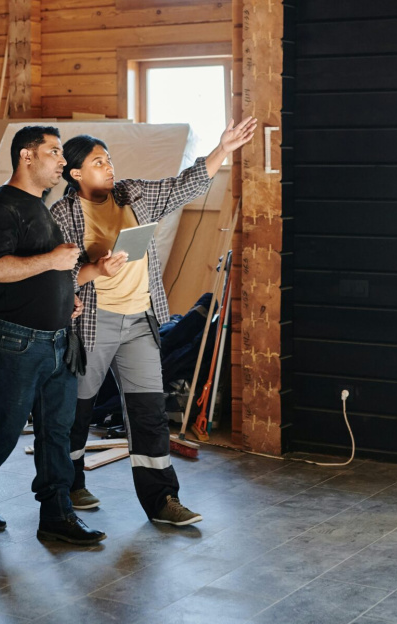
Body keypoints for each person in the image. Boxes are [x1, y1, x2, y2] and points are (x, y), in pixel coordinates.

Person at [50, 117, 258, 526]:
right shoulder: (63, 214)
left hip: (140, 320)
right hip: (93, 323)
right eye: (97, 162)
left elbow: (186, 184)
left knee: (148, 412)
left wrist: (223, 149)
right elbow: (55, 275)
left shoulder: (134, 194)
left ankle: (163, 500)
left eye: (108, 159)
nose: (108, 167)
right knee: (78, 410)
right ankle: (68, 483)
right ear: (75, 174)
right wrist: (97, 268)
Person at [0, 125, 105, 545]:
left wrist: (66, 299)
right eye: (53, 152)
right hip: (16, 341)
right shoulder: (1, 208)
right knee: (6, 424)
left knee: (57, 430)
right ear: (26, 156)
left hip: (58, 339)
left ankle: (56, 515)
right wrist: (54, 260)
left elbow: (46, 273)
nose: (61, 160)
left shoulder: (41, 206)